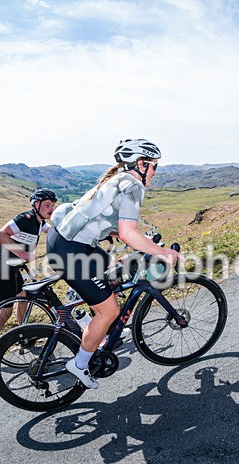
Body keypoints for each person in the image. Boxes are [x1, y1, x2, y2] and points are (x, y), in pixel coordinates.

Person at [46, 139, 179, 389]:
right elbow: (128, 233)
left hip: (66, 240)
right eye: (154, 167)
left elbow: (108, 221)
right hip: (72, 250)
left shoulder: (118, 179)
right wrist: (161, 252)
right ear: (141, 164)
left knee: (111, 270)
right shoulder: (133, 186)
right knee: (110, 311)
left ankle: (92, 324)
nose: (154, 172)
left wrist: (143, 241)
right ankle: (80, 363)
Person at [0, 189, 58, 356]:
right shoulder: (25, 219)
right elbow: (1, 234)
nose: (51, 209)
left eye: (53, 205)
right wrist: (23, 254)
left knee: (23, 296)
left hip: (12, 267)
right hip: (2, 267)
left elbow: (53, 231)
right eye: (47, 205)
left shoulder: (40, 223)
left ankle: (24, 334)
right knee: (6, 310)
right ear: (36, 204)